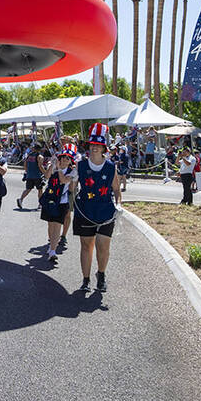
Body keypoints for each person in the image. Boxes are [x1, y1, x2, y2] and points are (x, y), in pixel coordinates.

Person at [72, 123, 122, 293]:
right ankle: (85, 279)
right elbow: (71, 187)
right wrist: (68, 176)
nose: (94, 148)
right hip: (85, 210)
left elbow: (116, 189)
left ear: (103, 148)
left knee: (103, 246)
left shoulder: (110, 167)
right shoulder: (80, 165)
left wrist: (119, 204)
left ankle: (101, 275)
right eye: (92, 145)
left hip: (105, 211)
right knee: (86, 245)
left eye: (98, 146)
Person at [39, 148, 76, 264]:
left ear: (70, 161)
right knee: (51, 224)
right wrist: (52, 165)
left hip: (62, 201)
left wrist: (59, 169)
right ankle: (51, 245)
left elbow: (64, 180)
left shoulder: (72, 171)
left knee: (58, 224)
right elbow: (47, 176)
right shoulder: (54, 166)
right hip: (50, 199)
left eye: (67, 158)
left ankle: (53, 251)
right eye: (63, 158)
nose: (65, 160)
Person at [17, 143, 44, 210]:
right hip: (37, 175)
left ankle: (21, 199)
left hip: (29, 175)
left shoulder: (29, 156)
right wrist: (45, 173)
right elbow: (40, 166)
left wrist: (27, 172)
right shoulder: (40, 156)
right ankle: (40, 204)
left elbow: (25, 165)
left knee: (28, 189)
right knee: (40, 190)